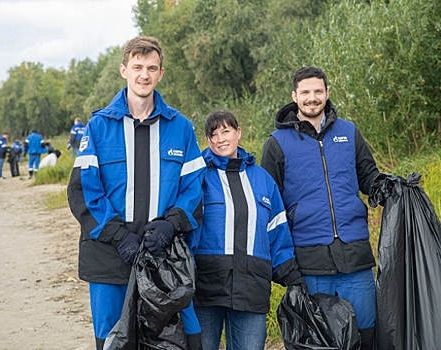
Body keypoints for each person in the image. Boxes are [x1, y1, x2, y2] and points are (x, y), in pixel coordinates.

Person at [67, 36, 207, 350]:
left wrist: (171, 225)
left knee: (183, 337)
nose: (144, 74)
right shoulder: (99, 126)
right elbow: (82, 192)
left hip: (165, 255)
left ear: (161, 74)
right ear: (124, 70)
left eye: (151, 68)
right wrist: (119, 235)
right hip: (109, 255)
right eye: (137, 67)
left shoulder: (180, 127)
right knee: (114, 339)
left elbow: (194, 187)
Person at [260, 66, 380, 350]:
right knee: (318, 342)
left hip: (356, 257)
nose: (312, 98)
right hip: (309, 263)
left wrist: (392, 187)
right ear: (294, 96)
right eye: (305, 92)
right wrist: (283, 264)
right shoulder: (276, 144)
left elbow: (370, 178)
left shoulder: (349, 132)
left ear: (327, 93)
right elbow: (268, 209)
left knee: (366, 337)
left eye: (318, 91)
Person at [189, 111, 303, 350]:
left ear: (238, 133)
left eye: (226, 131)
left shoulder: (263, 179)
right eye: (213, 134)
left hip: (251, 288)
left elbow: (276, 232)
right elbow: (186, 228)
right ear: (207, 140)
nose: (220, 139)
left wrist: (291, 276)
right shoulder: (196, 176)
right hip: (205, 289)